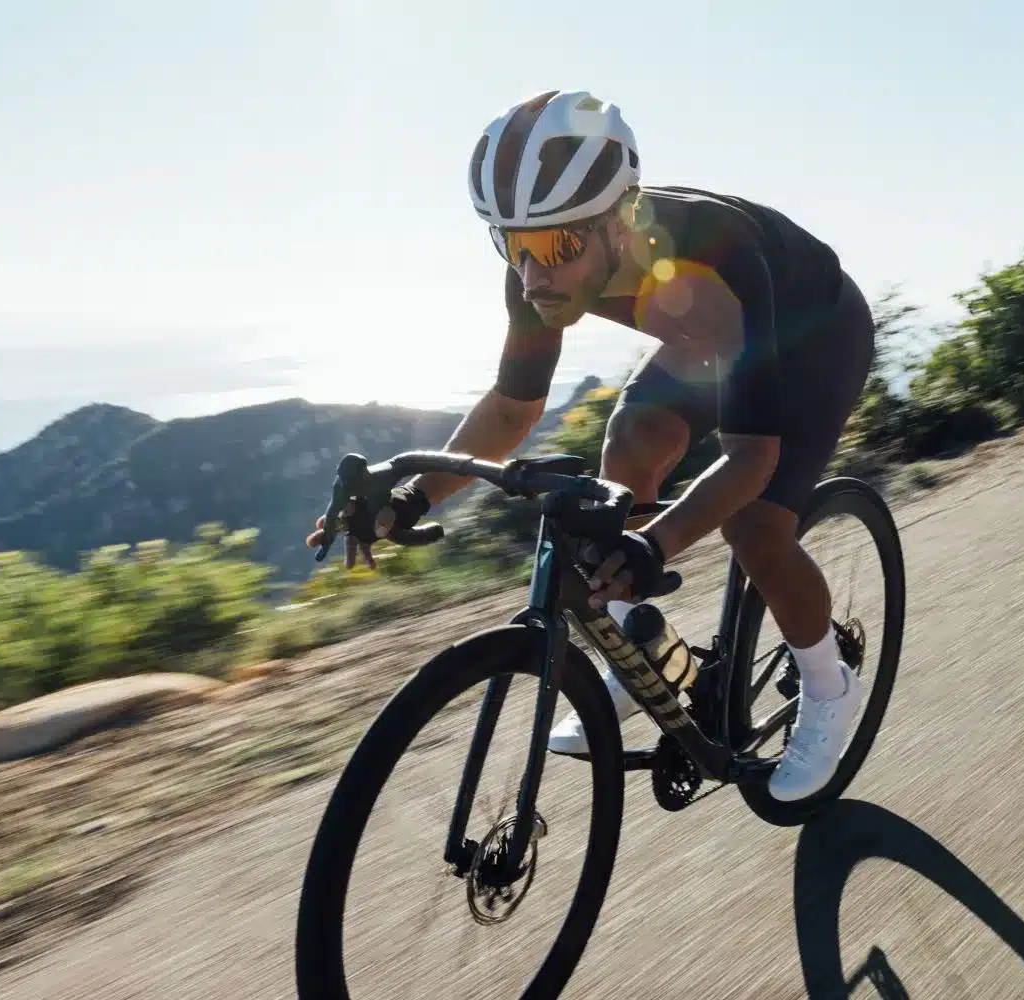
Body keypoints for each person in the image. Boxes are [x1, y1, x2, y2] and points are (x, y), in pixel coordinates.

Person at [308, 89, 876, 802]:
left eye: (555, 247)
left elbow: (750, 459)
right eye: (511, 245)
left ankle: (829, 685)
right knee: (629, 449)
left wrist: (655, 546)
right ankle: (643, 658)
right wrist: (410, 497)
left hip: (812, 337)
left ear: (621, 220)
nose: (532, 275)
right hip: (705, 339)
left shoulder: (720, 254)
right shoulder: (538, 272)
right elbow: (512, 409)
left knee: (754, 527)